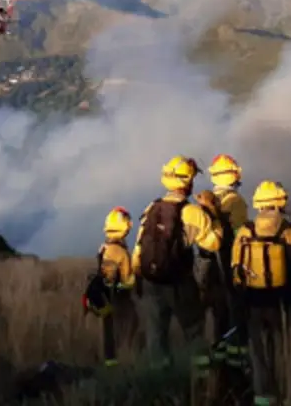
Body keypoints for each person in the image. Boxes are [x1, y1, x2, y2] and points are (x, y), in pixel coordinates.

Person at [131, 156, 222, 395]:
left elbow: (139, 248)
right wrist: (213, 213)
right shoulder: (192, 212)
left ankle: (160, 386)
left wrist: (139, 279)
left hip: (151, 283)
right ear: (189, 181)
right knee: (194, 332)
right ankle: (201, 385)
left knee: (156, 336)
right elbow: (213, 244)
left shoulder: (151, 208)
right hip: (180, 284)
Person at [230, 180, 291, 406]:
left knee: (261, 359)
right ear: (281, 202)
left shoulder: (244, 232)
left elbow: (235, 270)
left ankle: (264, 399)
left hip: (255, 304)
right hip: (287, 304)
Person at [206, 154, 250, 380]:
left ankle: (217, 366)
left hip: (208, 270)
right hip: (229, 267)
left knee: (218, 318)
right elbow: (242, 238)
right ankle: (235, 374)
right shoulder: (236, 201)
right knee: (236, 318)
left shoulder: (206, 200)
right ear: (235, 174)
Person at [89, 206, 137, 368]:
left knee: (108, 332)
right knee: (129, 327)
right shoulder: (120, 251)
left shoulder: (104, 247)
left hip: (105, 297)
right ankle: (126, 361)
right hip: (118, 298)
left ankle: (111, 363)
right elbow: (127, 280)